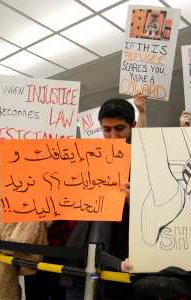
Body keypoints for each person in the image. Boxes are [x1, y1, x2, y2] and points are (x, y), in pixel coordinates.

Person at [60, 95, 145, 300]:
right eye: (107, 130)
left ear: (133, 126)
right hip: (83, 255)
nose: (113, 136)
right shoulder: (90, 159)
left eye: (120, 129)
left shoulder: (145, 160)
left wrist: (134, 202)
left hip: (122, 259)